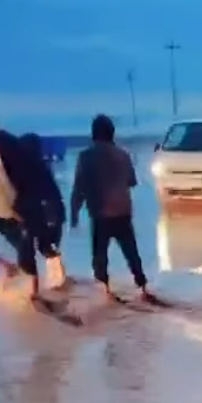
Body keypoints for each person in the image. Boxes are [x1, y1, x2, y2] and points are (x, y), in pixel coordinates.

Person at [70, 114, 155, 302]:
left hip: (100, 212)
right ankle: (142, 286)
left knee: (100, 255)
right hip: (123, 211)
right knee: (131, 252)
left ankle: (104, 290)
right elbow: (131, 181)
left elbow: (79, 187)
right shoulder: (123, 154)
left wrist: (74, 213)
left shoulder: (86, 157)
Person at [0, 126, 61, 302]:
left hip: (16, 208)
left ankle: (33, 289)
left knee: (29, 246)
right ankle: (25, 281)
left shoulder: (10, 148)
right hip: (12, 208)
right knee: (30, 246)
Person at [19, 133, 68, 290]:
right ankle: (56, 282)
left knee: (32, 249)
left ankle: (35, 286)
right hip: (51, 212)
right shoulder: (42, 167)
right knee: (46, 248)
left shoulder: (27, 169)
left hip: (44, 213)